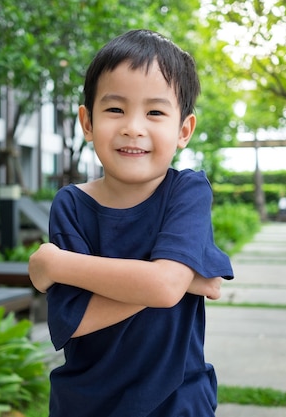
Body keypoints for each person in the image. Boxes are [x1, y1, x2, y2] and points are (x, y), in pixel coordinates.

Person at [28, 29, 234, 417]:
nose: (133, 127)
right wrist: (183, 277)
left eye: (155, 112)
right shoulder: (72, 204)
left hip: (177, 401)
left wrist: (56, 264)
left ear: (183, 130)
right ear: (87, 122)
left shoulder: (186, 193)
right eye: (115, 109)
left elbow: (164, 287)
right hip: (86, 404)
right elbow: (74, 320)